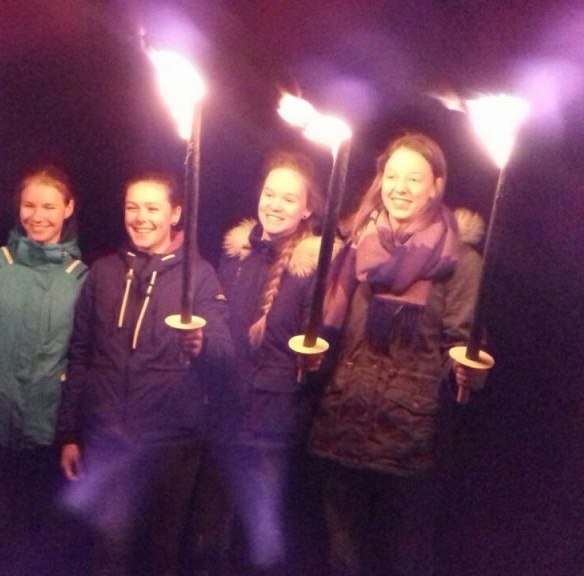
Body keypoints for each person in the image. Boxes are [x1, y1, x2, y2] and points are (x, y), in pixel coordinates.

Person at [308, 132, 487, 576]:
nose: (399, 188)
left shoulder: (459, 261)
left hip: (408, 443)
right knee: (343, 562)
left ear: (436, 186)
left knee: (403, 562)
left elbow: (461, 343)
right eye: (391, 176)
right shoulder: (356, 246)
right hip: (343, 428)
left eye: (413, 178)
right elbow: (330, 329)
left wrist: (468, 370)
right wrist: (314, 356)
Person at [57, 171, 233, 576]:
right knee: (110, 552)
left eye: (152, 208)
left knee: (161, 555)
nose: (140, 217)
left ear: (175, 214)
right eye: (132, 207)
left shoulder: (199, 275)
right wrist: (69, 434)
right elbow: (80, 355)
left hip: (172, 445)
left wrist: (201, 344)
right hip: (110, 440)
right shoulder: (103, 273)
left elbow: (225, 354)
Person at [189, 151, 329, 576]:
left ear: (307, 208)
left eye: (289, 198)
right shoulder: (236, 256)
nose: (275, 204)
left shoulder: (316, 267)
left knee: (260, 540)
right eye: (270, 194)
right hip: (225, 414)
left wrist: (314, 362)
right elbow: (221, 331)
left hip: (272, 422)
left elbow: (322, 348)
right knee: (209, 535)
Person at [0, 164, 88, 550]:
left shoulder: (81, 278)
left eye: (49, 206)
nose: (37, 216)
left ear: (68, 208)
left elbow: (83, 358)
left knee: (40, 539)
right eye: (29, 205)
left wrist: (72, 433)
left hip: (47, 435)